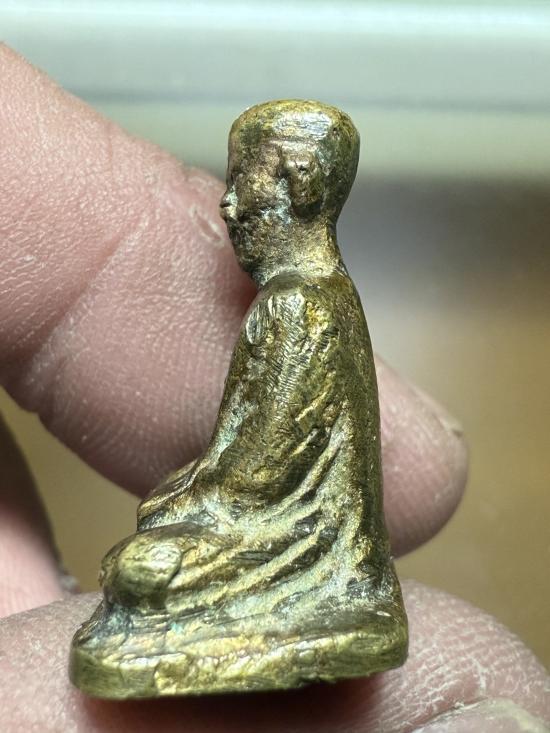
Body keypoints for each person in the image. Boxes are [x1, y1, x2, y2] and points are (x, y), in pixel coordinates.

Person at [0, 45, 548, 731]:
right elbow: (248, 452)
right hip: (292, 533)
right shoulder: (317, 299)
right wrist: (191, 488)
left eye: (244, 183)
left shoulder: (297, 307)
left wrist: (189, 499)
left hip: (299, 550)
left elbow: (258, 475)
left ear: (298, 185)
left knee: (142, 569)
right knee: (150, 544)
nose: (228, 204)